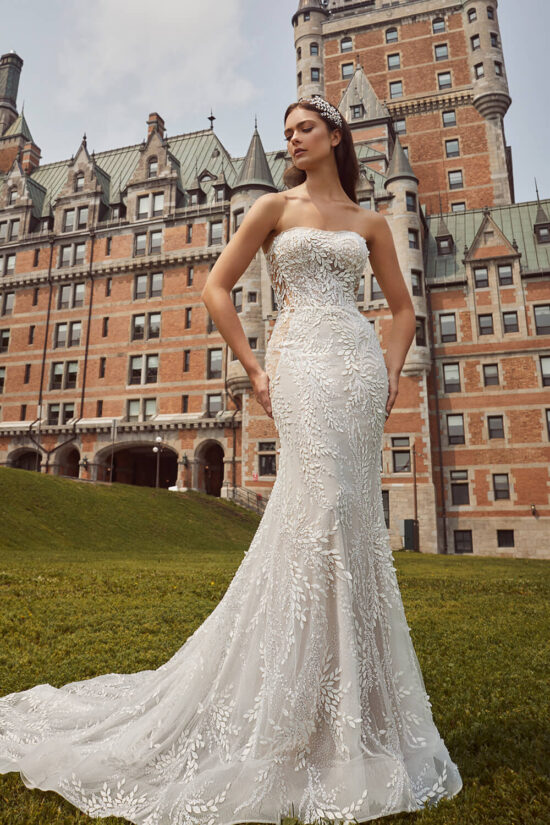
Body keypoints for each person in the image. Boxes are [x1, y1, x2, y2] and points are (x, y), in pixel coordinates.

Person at [0, 96, 463, 824]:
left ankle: (350, 710)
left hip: (355, 367)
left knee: (349, 521)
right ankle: (299, 708)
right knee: (319, 513)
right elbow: (215, 287)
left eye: (304, 129)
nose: (293, 140)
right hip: (300, 360)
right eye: (286, 133)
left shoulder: (373, 222)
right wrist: (254, 366)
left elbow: (402, 309)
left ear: (335, 136)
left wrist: (392, 368)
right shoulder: (272, 208)